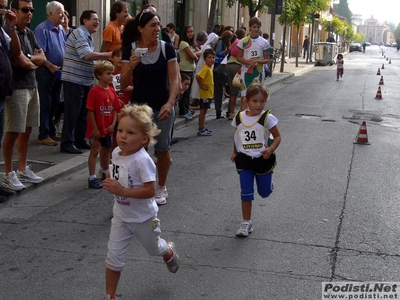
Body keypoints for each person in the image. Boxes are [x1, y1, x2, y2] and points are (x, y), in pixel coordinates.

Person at [102, 104, 180, 300]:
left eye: (130, 132)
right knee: (113, 257)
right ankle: (110, 296)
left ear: (145, 139)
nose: (122, 136)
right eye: (120, 130)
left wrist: (121, 190)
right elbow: (117, 174)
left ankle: (168, 251)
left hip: (144, 218)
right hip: (121, 216)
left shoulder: (143, 160)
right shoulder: (116, 153)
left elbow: (150, 191)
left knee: (155, 249)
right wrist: (112, 181)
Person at [120, 10, 179, 205]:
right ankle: (138, 187)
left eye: (158, 25)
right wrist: (131, 66)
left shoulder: (166, 48)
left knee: (162, 149)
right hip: (139, 108)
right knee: (137, 149)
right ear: (140, 28)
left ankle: (160, 187)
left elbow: (174, 79)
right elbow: (122, 84)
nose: (157, 29)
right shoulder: (131, 48)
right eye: (152, 25)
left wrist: (170, 103)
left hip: (162, 104)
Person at [2, 0, 46, 191]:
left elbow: (41, 58)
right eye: (25, 10)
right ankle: (9, 173)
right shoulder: (8, 30)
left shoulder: (29, 32)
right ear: (15, 11)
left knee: (27, 130)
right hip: (18, 87)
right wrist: (32, 60)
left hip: (31, 85)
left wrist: (31, 60)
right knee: (13, 131)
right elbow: (20, 60)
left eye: (32, 10)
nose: (29, 13)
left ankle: (22, 168)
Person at [231, 81, 281, 237]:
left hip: (262, 159)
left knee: (264, 192)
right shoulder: (238, 118)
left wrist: (271, 149)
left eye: (262, 101)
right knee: (246, 192)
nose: (259, 105)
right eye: (255, 101)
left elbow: (278, 137)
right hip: (245, 159)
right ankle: (246, 223)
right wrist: (234, 152)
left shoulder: (267, 118)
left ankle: (268, 183)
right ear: (246, 101)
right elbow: (237, 136)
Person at [60, 10, 112, 154]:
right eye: (94, 19)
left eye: (99, 20)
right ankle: (67, 142)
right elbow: (87, 55)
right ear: (85, 21)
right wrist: (109, 54)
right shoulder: (79, 34)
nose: (97, 22)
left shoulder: (87, 36)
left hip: (85, 80)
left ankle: (80, 139)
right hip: (74, 80)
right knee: (72, 112)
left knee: (84, 112)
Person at [0, 0, 29, 199]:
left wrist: (10, 27)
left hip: (2, 92)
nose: (3, 9)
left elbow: (16, 51)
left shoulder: (3, 30)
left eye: (4, 5)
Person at [34, 1, 65, 147]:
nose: (63, 15)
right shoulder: (42, 29)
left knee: (55, 102)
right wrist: (50, 65)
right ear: (50, 13)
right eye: (60, 12)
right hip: (45, 70)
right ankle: (43, 134)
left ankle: (52, 131)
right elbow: (40, 53)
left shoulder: (61, 29)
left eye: (63, 11)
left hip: (58, 70)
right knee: (46, 103)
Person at [86, 60, 119, 189]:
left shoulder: (111, 90)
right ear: (99, 75)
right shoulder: (94, 91)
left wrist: (113, 124)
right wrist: (94, 127)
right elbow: (91, 110)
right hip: (98, 127)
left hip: (108, 127)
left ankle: (105, 171)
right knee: (95, 150)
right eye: (108, 73)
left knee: (106, 150)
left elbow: (116, 108)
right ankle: (92, 176)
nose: (111, 76)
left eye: (112, 73)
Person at [237, 17, 271, 111]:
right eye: (254, 27)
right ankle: (242, 122)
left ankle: (255, 120)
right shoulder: (243, 41)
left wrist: (258, 61)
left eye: (258, 27)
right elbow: (239, 57)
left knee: (257, 97)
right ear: (250, 27)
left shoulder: (264, 42)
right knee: (245, 98)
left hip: (258, 73)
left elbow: (267, 59)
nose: (256, 29)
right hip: (246, 73)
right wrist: (248, 61)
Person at [178, 25, 201, 120]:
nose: (190, 33)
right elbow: (194, 56)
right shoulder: (184, 43)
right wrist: (193, 55)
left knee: (188, 92)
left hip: (191, 69)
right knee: (184, 91)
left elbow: (199, 52)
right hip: (185, 69)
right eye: (188, 32)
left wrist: (192, 55)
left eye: (192, 31)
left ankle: (187, 108)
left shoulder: (191, 44)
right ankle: (182, 110)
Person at [213, 30, 233, 119]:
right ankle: (219, 111)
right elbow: (217, 53)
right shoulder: (221, 42)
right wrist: (225, 52)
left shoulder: (225, 42)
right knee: (219, 90)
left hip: (223, 67)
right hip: (219, 66)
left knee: (220, 90)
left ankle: (221, 111)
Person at [227, 28, 246, 120]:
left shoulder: (235, 41)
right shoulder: (243, 42)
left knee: (232, 90)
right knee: (241, 90)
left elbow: (230, 51)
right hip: (237, 67)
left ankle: (230, 111)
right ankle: (237, 113)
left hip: (229, 64)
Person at [196, 48, 215, 136]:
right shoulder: (206, 69)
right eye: (209, 58)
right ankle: (201, 129)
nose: (212, 59)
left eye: (213, 57)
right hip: (205, 94)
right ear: (205, 59)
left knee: (205, 110)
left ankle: (203, 127)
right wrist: (201, 85)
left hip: (208, 94)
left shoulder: (209, 68)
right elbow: (198, 76)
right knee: (203, 111)